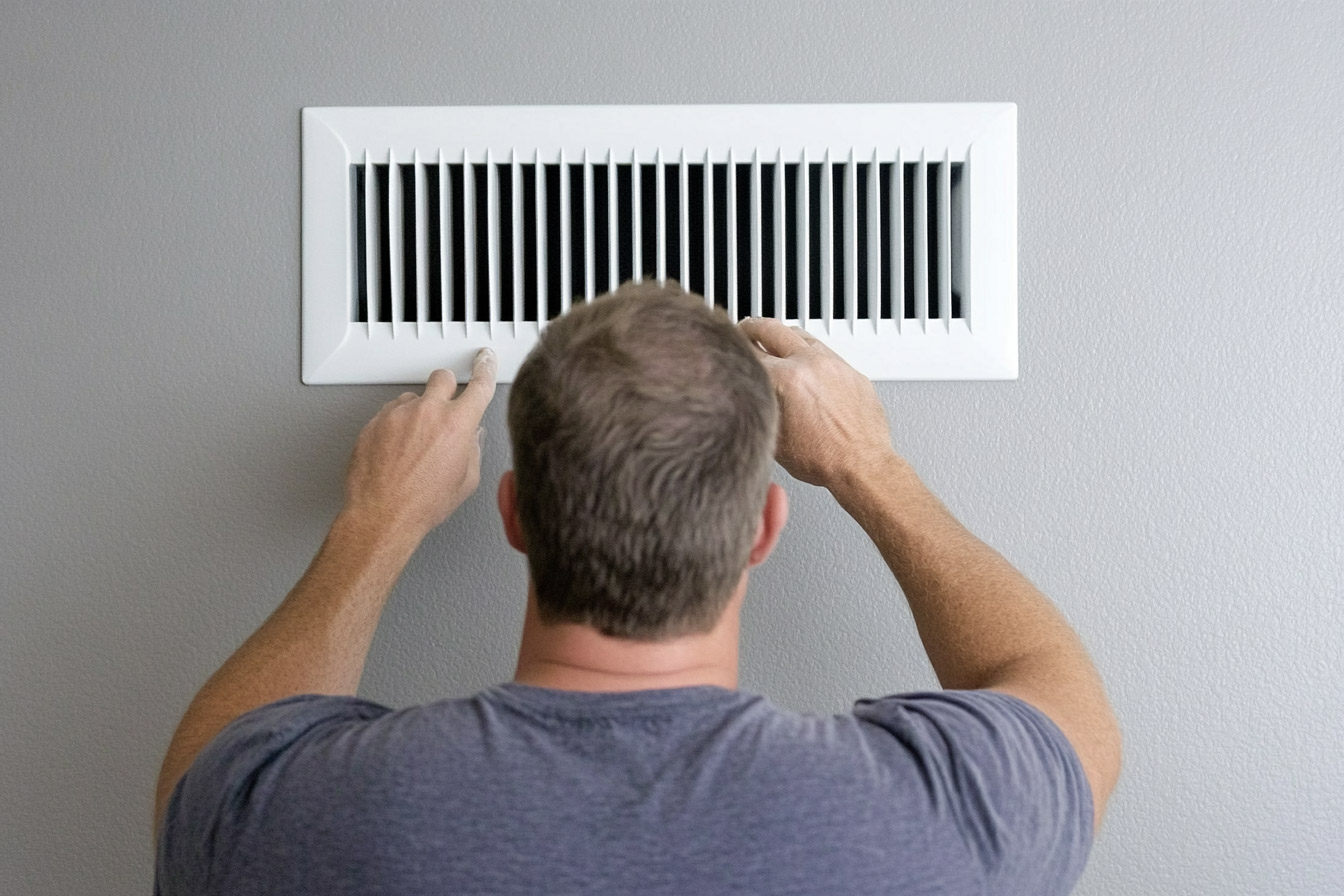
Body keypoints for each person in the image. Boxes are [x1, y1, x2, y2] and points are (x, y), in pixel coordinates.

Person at [154, 281, 1121, 895]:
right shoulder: (938, 814)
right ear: (763, 532)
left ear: (514, 516)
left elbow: (198, 779)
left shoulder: (298, 817)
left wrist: (376, 525)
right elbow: (1053, 692)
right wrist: (872, 467)